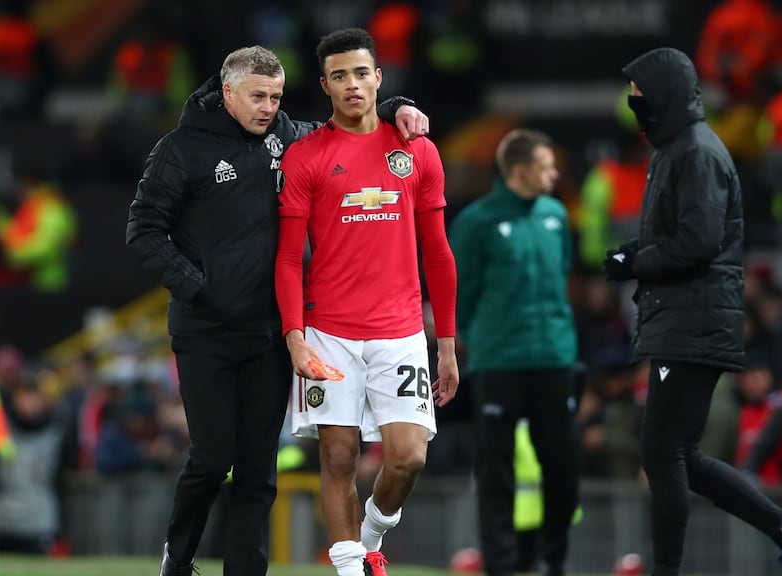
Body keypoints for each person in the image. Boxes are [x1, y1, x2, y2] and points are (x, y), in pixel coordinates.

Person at [125, 44, 430, 576]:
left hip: (271, 332)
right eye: (257, 97)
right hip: (206, 332)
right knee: (213, 457)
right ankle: (179, 555)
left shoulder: (287, 136)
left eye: (275, 97)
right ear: (227, 93)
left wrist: (395, 105)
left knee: (258, 469)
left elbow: (345, 119)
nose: (268, 108)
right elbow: (143, 231)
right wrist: (201, 288)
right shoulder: (181, 149)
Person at [601, 47, 782, 576]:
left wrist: (635, 260)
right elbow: (680, 237)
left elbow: (697, 244)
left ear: (663, 96)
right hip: (686, 317)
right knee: (682, 455)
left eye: (640, 99)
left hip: (692, 320)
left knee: (663, 454)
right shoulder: (677, 150)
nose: (635, 108)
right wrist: (633, 254)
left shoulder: (696, 154)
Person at [274, 28, 459, 576]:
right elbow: (287, 260)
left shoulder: (416, 150)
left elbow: (439, 253)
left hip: (400, 332)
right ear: (325, 85)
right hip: (327, 332)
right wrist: (294, 338)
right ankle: (352, 568)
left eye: (361, 73)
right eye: (339, 76)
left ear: (379, 77)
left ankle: (374, 529)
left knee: (408, 457)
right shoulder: (306, 158)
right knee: (338, 459)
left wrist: (445, 345)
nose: (352, 85)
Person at [449, 129, 579, 576]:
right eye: (546, 167)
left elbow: (562, 275)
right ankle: (501, 568)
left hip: (553, 359)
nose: (555, 174)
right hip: (499, 360)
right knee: (495, 473)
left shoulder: (556, 216)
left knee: (563, 468)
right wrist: (474, 334)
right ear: (520, 171)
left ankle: (553, 561)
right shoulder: (476, 222)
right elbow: (462, 291)